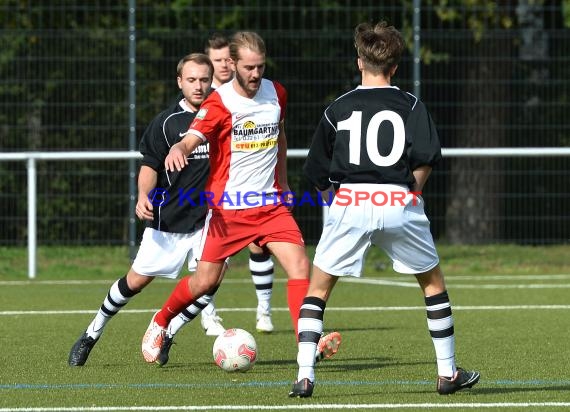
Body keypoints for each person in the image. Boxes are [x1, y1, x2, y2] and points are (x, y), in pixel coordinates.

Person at [288, 21, 480, 398]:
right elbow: (425, 158)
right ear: (395, 67)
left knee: (318, 289)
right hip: (397, 200)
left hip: (351, 201)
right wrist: (414, 192)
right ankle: (447, 373)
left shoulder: (338, 108)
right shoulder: (410, 104)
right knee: (432, 284)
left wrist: (336, 203)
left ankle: (305, 375)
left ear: (360, 62)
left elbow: (315, 169)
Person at [141, 31, 341, 365]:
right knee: (204, 281)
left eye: (260, 67)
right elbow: (192, 137)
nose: (255, 74)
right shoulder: (220, 103)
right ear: (232, 64)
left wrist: (283, 182)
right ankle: (160, 321)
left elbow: (280, 137)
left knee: (300, 267)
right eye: (248, 67)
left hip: (270, 207)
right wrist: (179, 147)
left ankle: (308, 342)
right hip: (228, 211)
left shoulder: (277, 93)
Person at [68, 53, 222, 367]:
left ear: (212, 81)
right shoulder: (165, 123)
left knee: (210, 281)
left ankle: (167, 332)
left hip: (211, 219)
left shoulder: (223, 117)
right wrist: (142, 195)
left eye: (204, 79)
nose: (198, 86)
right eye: (191, 80)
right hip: (170, 220)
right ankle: (91, 333)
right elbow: (149, 165)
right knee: (135, 282)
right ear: (180, 82)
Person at [203, 32, 275, 333]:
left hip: (258, 191)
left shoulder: (260, 92)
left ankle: (264, 310)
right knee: (212, 259)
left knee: (261, 248)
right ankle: (207, 312)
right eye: (216, 60)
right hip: (220, 190)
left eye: (224, 59)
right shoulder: (207, 97)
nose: (221, 65)